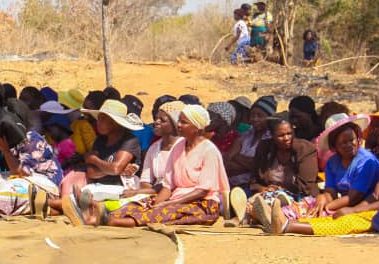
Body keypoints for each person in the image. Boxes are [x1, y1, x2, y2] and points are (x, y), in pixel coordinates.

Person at [66, 104, 229, 227]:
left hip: (202, 203)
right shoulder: (178, 148)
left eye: (184, 122)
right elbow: (168, 184)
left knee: (163, 213)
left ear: (197, 127)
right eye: (179, 121)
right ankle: (99, 216)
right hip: (175, 196)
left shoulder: (209, 150)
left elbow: (202, 190)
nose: (179, 125)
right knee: (141, 204)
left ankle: (108, 221)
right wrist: (158, 200)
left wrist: (168, 203)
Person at [226, 117, 319, 226]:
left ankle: (246, 216)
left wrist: (279, 191)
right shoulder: (265, 148)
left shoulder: (306, 149)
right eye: (281, 135)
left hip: (296, 195)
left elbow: (305, 185)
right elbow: (255, 178)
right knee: (253, 195)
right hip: (266, 192)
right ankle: (251, 214)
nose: (286, 138)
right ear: (272, 135)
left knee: (275, 199)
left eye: (289, 133)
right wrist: (263, 188)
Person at [54, 99, 143, 211]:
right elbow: (91, 173)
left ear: (114, 123)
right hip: (99, 186)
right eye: (99, 119)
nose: (98, 123)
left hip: (122, 188)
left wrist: (94, 160)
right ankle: (48, 206)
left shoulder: (129, 141)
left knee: (81, 202)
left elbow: (115, 169)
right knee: (82, 199)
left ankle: (48, 204)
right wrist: (113, 169)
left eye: (102, 119)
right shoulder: (100, 140)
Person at [223, 95, 276, 190]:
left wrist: (236, 157)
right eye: (252, 115)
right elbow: (228, 158)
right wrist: (249, 163)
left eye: (260, 116)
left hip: (252, 187)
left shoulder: (271, 138)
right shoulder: (247, 134)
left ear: (270, 118)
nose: (255, 119)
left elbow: (257, 166)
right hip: (230, 183)